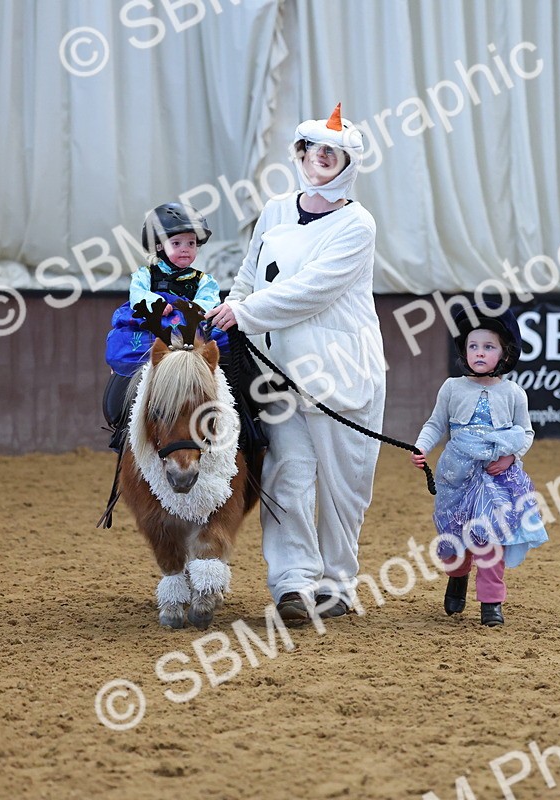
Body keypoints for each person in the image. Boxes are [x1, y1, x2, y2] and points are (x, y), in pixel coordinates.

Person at [205, 103, 384, 624]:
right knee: (288, 476)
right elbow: (248, 277)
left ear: (347, 162)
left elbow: (312, 292)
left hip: (342, 374)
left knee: (343, 485)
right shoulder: (276, 210)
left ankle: (338, 581)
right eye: (313, 149)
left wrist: (244, 311)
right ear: (301, 155)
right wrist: (227, 312)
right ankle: (292, 585)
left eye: (333, 151)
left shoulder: (357, 224)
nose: (321, 158)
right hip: (276, 373)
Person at [411, 306, 548, 627]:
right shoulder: (452, 388)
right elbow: (435, 424)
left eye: (489, 346)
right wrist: (421, 446)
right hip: (456, 476)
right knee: (453, 540)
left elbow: (526, 432)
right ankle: (457, 576)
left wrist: (512, 457)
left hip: (496, 479)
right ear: (464, 351)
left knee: (491, 538)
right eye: (474, 346)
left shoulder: (514, 393)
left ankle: (491, 602)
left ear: (504, 353)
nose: (480, 352)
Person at [102, 203, 219, 453]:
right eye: (176, 244)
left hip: (188, 331)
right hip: (153, 329)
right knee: (129, 356)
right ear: (159, 247)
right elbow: (138, 296)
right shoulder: (146, 275)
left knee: (228, 356)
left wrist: (188, 309)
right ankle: (126, 424)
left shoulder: (204, 281)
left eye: (191, 243)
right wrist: (156, 303)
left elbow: (208, 302)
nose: (185, 249)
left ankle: (243, 426)